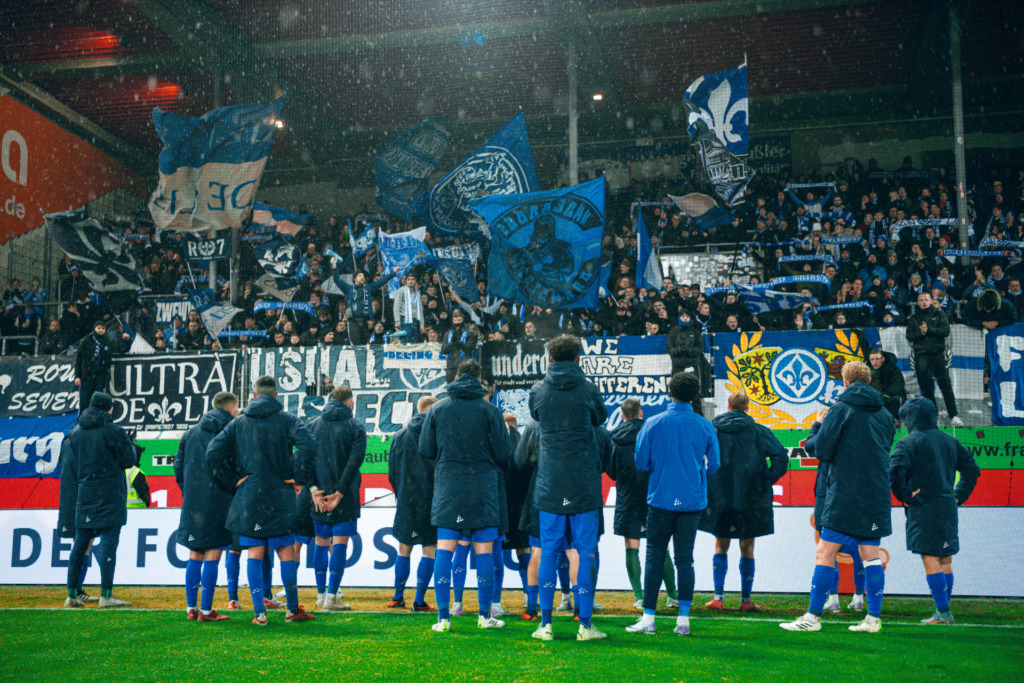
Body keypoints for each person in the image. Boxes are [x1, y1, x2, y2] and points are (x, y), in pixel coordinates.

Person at [781, 361, 895, 633]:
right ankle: (873, 620)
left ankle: (812, 617)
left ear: (845, 381)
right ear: (868, 381)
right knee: (871, 556)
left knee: (824, 552)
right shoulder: (885, 414)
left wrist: (817, 426)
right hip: (877, 493)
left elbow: (821, 449)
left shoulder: (839, 410)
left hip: (844, 491)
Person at [205, 375, 318, 625]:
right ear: (276, 395)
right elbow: (309, 444)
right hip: (280, 493)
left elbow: (212, 452)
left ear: (254, 396)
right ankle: (291, 610)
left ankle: (260, 613)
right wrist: (297, 477)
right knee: (286, 549)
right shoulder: (287, 419)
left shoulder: (239, 422)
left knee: (255, 551)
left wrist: (233, 479)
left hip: (252, 495)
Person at [418, 359, 513, 632]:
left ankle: (443, 618)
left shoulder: (437, 409)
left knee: (445, 551)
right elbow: (504, 453)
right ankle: (484, 616)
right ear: (478, 379)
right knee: (484, 550)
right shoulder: (490, 409)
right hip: (482, 487)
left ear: (456, 376)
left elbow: (425, 449)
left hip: (449, 487)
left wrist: (448, 462)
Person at [626, 373, 720, 637]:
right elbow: (715, 465)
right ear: (694, 395)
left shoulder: (654, 423)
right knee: (684, 558)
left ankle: (649, 618)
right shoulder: (704, 425)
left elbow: (641, 462)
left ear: (670, 392)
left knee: (655, 555)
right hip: (691, 501)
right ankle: (683, 620)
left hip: (662, 499)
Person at [529, 334, 608, 642]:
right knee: (586, 553)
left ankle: (546, 625)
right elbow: (599, 419)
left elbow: (536, 417)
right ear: (578, 359)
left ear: (550, 359)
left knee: (549, 552)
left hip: (550, 482)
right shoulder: (588, 389)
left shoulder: (538, 390)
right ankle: (585, 626)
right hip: (584, 483)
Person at [890, 398, 980, 624]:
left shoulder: (907, 443)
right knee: (945, 559)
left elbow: (894, 472)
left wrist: (904, 496)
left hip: (923, 507)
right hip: (948, 506)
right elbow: (972, 470)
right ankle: (944, 611)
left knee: (930, 557)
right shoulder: (950, 441)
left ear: (911, 417)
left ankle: (944, 613)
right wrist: (958, 496)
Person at [702, 392, 788, 612]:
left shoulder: (712, 429)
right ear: (747, 408)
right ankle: (746, 600)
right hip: (750, 496)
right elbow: (781, 457)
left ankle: (718, 598)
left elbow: (696, 455)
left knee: (721, 543)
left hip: (719, 496)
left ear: (728, 406)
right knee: (747, 546)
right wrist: (766, 480)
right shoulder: (759, 431)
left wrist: (708, 479)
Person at [62, 392, 137, 608]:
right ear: (109, 408)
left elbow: (73, 463)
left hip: (85, 493)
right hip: (110, 493)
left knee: (80, 544)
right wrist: (129, 445)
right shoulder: (115, 431)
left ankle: (71, 595)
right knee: (109, 544)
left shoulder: (75, 432)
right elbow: (129, 460)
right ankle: (106, 594)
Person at [607, 398, 679, 610]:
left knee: (632, 545)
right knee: (661, 546)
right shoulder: (653, 431)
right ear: (641, 413)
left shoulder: (614, 437)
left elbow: (610, 470)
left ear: (622, 416)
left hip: (628, 497)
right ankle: (673, 596)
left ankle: (639, 596)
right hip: (654, 495)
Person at [174, 392, 239, 622]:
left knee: (195, 554)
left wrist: (190, 492)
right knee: (213, 553)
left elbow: (178, 468)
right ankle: (206, 610)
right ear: (231, 409)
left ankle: (191, 608)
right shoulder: (232, 431)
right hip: (220, 500)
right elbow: (237, 466)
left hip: (194, 502)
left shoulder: (190, 433)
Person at [307, 385, 367, 612]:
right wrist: (340, 492)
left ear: (330, 399)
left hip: (319, 496)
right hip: (345, 496)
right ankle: (332, 598)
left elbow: (306, 460)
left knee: (321, 544)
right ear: (350, 403)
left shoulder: (312, 425)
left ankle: (321, 596)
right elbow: (354, 463)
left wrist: (313, 489)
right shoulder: (356, 427)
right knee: (340, 544)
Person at [387, 396, 439, 612]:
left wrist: (401, 494)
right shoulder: (436, 434)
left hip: (406, 500)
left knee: (403, 549)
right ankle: (419, 600)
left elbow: (391, 472)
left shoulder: (400, 435)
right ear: (433, 410)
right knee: (429, 550)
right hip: (431, 500)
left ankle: (398, 596)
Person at [906, 292, 962, 426]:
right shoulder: (913, 318)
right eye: (921, 300)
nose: (923, 302)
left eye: (926, 299)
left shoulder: (940, 314)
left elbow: (945, 331)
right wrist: (921, 332)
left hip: (938, 354)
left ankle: (954, 416)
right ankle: (933, 417)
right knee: (926, 389)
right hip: (921, 356)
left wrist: (928, 330)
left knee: (945, 385)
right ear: (917, 302)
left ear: (931, 301)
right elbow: (909, 336)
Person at [331, 264, 397, 345]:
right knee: (356, 346)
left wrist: (393, 273)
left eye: (363, 276)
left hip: (365, 322)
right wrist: (334, 267)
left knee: (364, 345)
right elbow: (337, 280)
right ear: (354, 279)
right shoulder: (349, 289)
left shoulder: (368, 289)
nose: (362, 277)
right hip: (353, 322)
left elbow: (380, 282)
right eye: (360, 276)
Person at [74, 321, 117, 417]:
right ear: (94, 328)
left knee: (100, 402)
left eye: (103, 328)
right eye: (99, 328)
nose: (101, 330)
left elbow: (120, 349)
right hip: (87, 375)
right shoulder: (86, 341)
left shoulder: (107, 342)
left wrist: (126, 341)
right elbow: (79, 360)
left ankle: (98, 421)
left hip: (100, 376)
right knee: (84, 401)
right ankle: (82, 423)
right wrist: (77, 376)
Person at [868, 348, 907, 424]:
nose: (874, 362)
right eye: (872, 360)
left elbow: (899, 383)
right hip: (877, 397)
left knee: (895, 400)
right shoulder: (868, 371)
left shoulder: (893, 368)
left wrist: (887, 393)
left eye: (877, 359)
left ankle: (895, 421)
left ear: (883, 359)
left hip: (892, 396)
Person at [393, 274, 424, 342]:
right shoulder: (401, 290)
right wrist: (397, 323)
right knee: (405, 343)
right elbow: (396, 307)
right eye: (409, 279)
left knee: (415, 344)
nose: (411, 281)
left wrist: (422, 324)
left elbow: (420, 310)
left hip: (416, 321)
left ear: (415, 281)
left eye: (413, 279)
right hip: (405, 321)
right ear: (406, 281)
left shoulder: (417, 293)